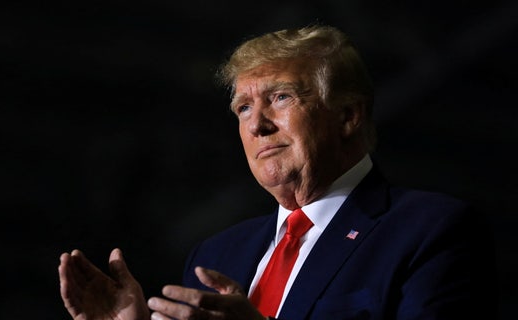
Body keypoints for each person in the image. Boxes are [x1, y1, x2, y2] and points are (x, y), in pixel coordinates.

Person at [58, 24, 498, 319]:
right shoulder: (215, 255)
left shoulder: (429, 231)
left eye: (281, 98)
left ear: (347, 115)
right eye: (243, 107)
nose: (257, 124)